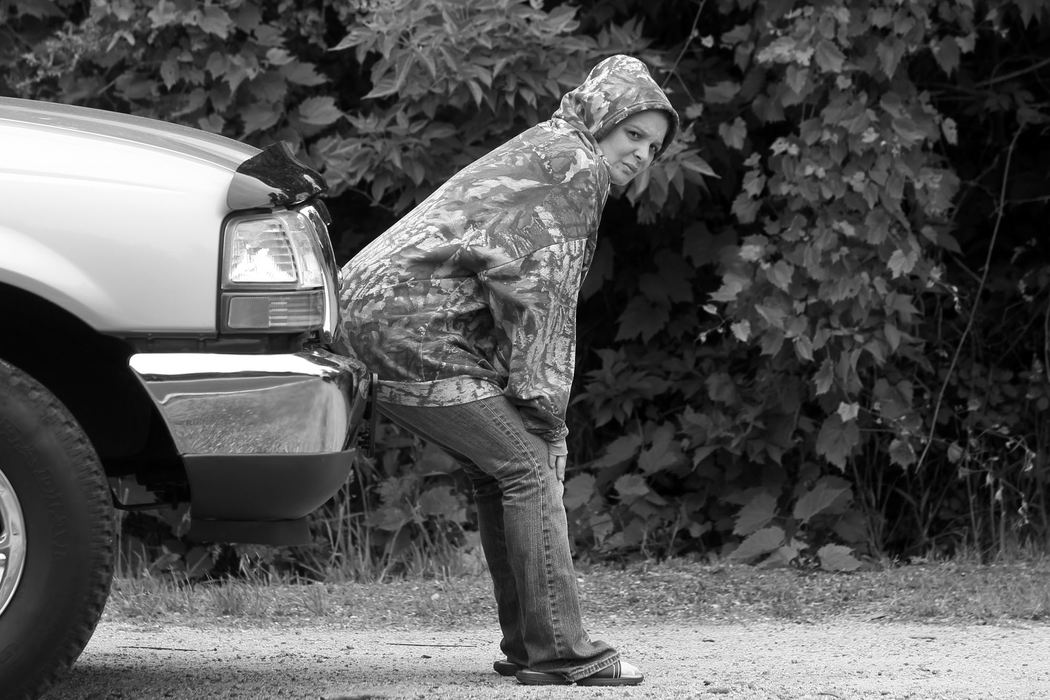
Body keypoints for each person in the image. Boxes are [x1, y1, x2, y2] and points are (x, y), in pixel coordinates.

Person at [336, 54, 678, 686]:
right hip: (403, 328)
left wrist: (531, 407)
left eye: (654, 147)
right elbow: (544, 301)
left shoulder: (553, 150)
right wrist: (548, 417)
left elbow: (506, 284)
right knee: (527, 465)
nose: (641, 156)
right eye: (634, 134)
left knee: (504, 471)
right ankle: (563, 654)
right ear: (604, 118)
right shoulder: (575, 169)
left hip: (373, 317)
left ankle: (531, 645)